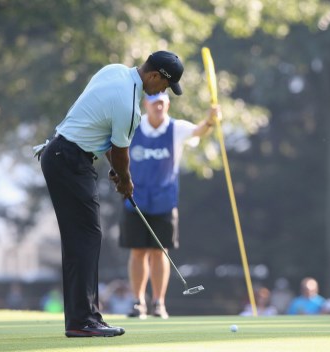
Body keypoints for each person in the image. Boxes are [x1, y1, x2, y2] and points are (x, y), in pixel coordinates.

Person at [36, 50, 184, 337]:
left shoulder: (114, 70)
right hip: (70, 162)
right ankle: (83, 321)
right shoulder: (131, 107)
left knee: (82, 239)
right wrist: (125, 181)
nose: (162, 92)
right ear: (155, 76)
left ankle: (84, 318)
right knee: (86, 238)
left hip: (60, 153)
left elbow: (97, 123)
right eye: (164, 86)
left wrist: (116, 172)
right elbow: (120, 152)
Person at [120, 91, 219, 319]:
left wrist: (211, 120)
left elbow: (199, 131)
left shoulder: (176, 127)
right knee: (138, 251)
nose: (158, 108)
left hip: (164, 200)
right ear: (146, 104)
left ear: (168, 104)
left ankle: (158, 303)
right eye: (154, 104)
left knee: (159, 251)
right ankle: (138, 302)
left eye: (162, 103)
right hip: (135, 199)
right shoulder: (134, 127)